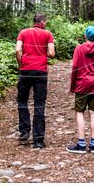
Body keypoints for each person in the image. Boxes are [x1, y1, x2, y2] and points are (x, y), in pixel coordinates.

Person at [16, 12, 55, 149]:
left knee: (22, 100)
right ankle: (38, 140)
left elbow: (17, 50)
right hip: (41, 72)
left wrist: (21, 65)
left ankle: (24, 132)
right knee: (39, 103)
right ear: (42, 22)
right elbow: (51, 53)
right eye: (46, 22)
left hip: (25, 71)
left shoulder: (23, 32)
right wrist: (42, 52)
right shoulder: (47, 34)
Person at [66, 25, 94, 154]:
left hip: (82, 84)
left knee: (80, 112)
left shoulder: (79, 48)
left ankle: (81, 143)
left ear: (85, 36)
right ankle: (93, 144)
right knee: (93, 112)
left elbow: (75, 68)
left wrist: (72, 86)